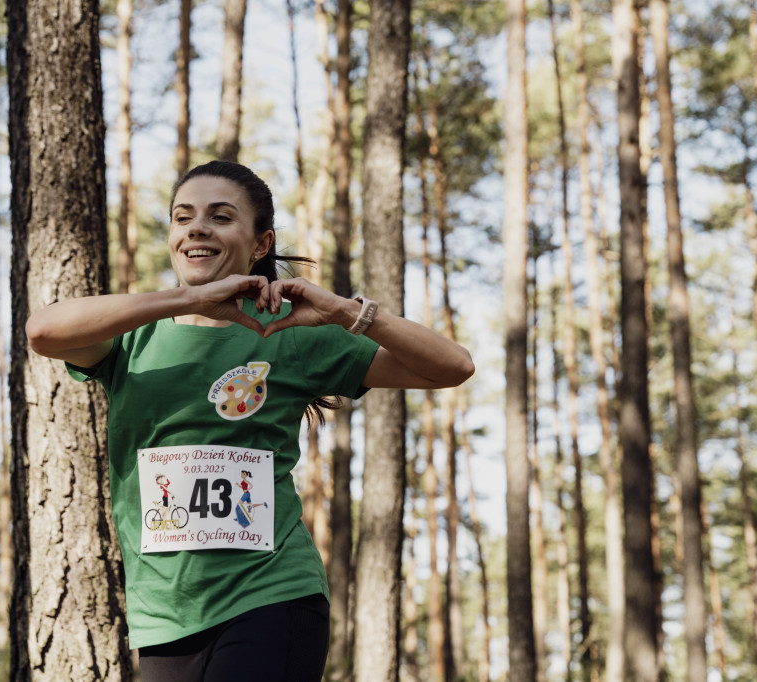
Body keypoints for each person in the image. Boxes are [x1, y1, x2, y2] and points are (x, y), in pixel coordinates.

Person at [26, 160, 474, 682]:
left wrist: (346, 312)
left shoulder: (289, 330)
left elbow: (453, 367)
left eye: (220, 217)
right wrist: (188, 298)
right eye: (183, 217)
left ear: (261, 244)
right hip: (165, 616)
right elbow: (42, 332)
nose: (197, 228)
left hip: (271, 593)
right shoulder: (132, 334)